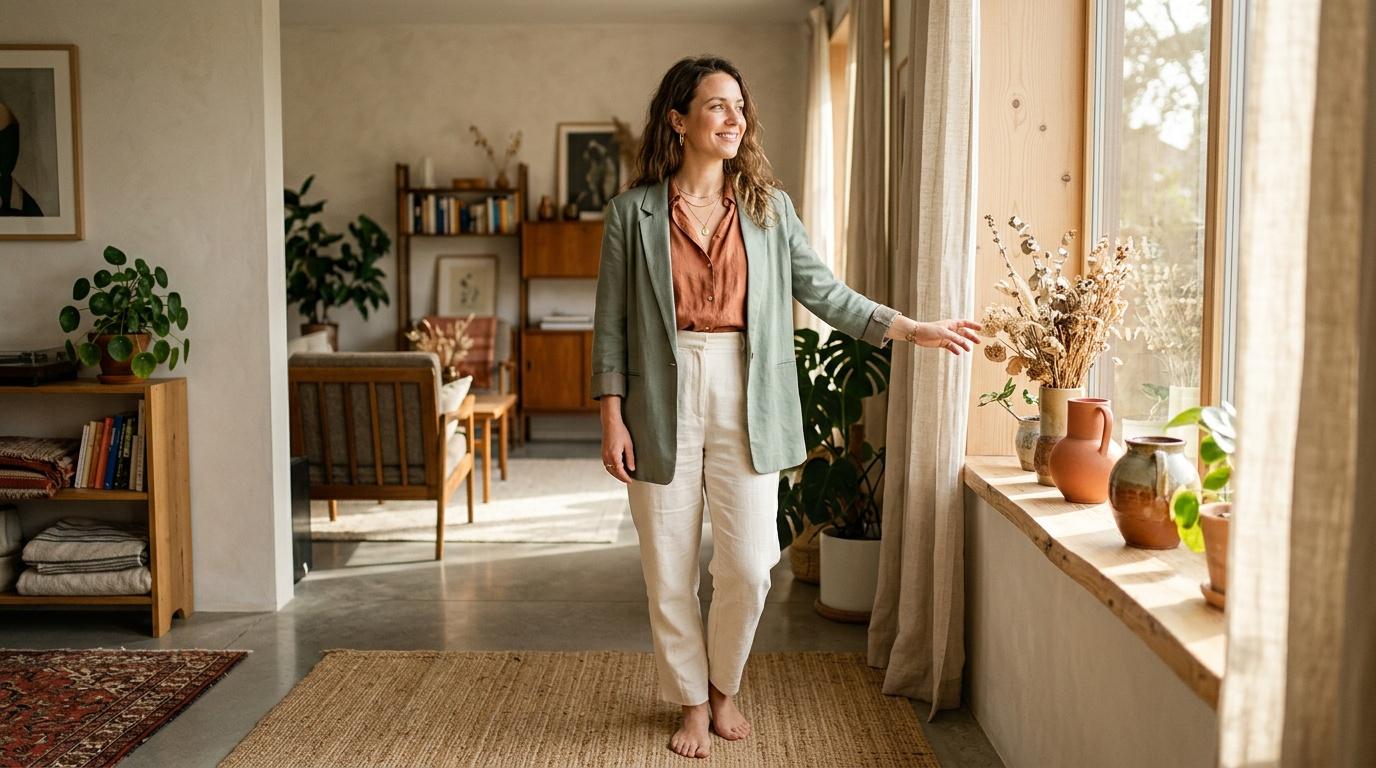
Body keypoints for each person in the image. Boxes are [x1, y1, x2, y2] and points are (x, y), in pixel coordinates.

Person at [590, 55, 981, 760]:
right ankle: (690, 701)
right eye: (716, 106)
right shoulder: (632, 214)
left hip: (748, 392)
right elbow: (611, 324)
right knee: (668, 566)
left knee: (750, 564)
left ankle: (723, 685)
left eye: (739, 106)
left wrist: (912, 329)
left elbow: (827, 294)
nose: (735, 118)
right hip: (658, 395)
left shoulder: (770, 211)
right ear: (678, 120)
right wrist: (611, 414)